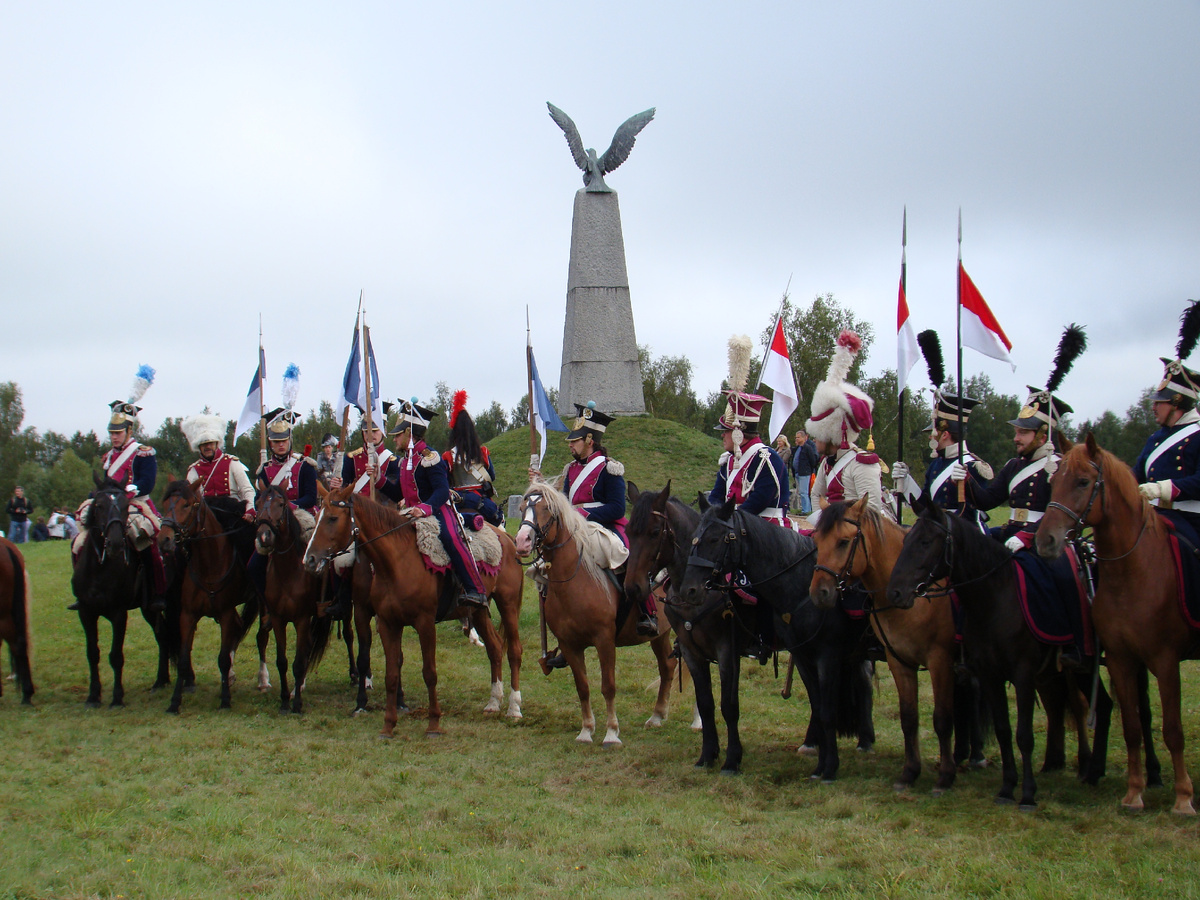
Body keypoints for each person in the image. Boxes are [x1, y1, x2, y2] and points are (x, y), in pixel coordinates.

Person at [70, 394, 166, 610]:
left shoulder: (142, 453)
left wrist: (131, 489)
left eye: (118, 433)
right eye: (112, 433)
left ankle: (157, 592)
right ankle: (83, 591)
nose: (114, 437)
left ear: (129, 431)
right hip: (110, 503)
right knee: (79, 541)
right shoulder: (108, 457)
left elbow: (148, 482)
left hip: (136, 503)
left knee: (146, 543)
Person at [389, 397, 488, 607]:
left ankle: (475, 589)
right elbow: (396, 492)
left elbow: (442, 491)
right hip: (410, 513)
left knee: (451, 538)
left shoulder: (430, 456)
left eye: (397, 434)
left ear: (408, 434)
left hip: (437, 511)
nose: (394, 439)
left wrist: (424, 509)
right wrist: (377, 479)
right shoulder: (405, 460)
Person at [807, 331, 884, 516]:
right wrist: (821, 524)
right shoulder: (827, 463)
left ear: (830, 433)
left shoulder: (861, 463)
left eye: (818, 435)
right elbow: (816, 494)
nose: (814, 440)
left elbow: (871, 510)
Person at [891, 392, 992, 531]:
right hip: (938, 533)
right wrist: (906, 481)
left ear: (944, 435)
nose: (930, 437)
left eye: (933, 433)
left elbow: (973, 511)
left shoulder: (973, 466)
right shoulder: (936, 465)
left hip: (965, 534)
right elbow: (924, 508)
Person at [443, 390, 503, 528]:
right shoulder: (482, 453)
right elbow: (492, 477)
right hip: (482, 503)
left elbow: (445, 482)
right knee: (500, 525)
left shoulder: (448, 457)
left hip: (457, 502)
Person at [181, 414, 256, 516]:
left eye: (211, 443)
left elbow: (247, 489)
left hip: (233, 512)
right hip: (207, 514)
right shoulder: (194, 470)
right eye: (203, 444)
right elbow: (189, 497)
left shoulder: (232, 462)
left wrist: (250, 509)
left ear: (217, 443)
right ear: (199, 446)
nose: (207, 447)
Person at [790, 429, 819, 515]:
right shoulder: (797, 448)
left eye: (798, 437)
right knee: (800, 492)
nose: (797, 439)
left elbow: (813, 460)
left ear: (804, 438)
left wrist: (808, 470)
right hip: (798, 473)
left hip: (804, 473)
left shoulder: (807, 448)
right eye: (796, 437)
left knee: (804, 492)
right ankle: (804, 508)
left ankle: (806, 510)